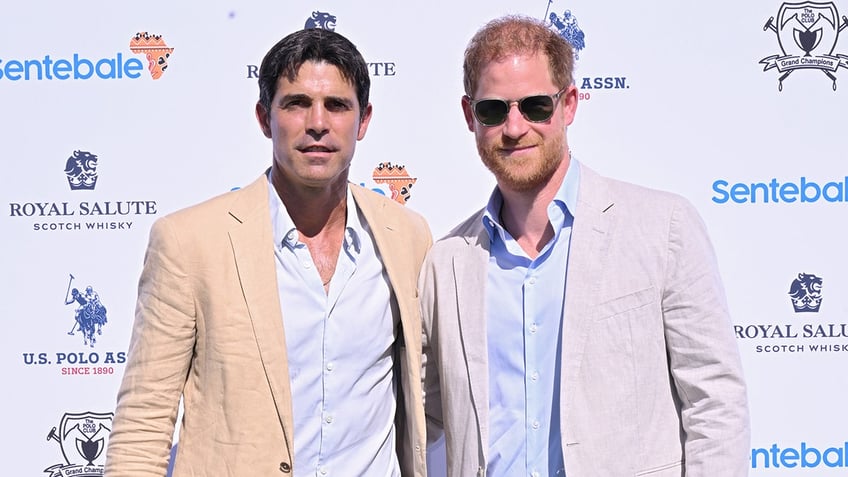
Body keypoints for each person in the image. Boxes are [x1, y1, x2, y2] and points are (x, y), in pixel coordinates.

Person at [420, 15, 750, 477]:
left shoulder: (662, 227)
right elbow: (422, 419)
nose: (515, 128)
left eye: (535, 106)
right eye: (494, 110)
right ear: (469, 114)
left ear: (569, 104)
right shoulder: (447, 261)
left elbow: (715, 402)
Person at [105, 28, 432, 477]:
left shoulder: (406, 236)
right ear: (264, 118)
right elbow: (144, 422)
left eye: (337, 105)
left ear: (364, 120)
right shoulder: (189, 242)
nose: (318, 122)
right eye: (296, 103)